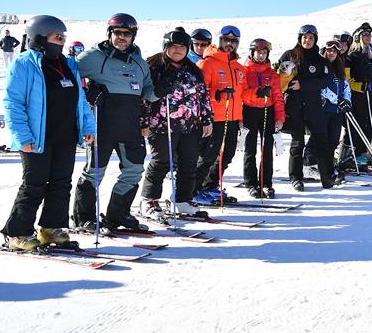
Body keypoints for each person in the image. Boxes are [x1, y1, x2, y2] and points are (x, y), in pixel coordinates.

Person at [0, 15, 96, 251]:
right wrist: (22, 136)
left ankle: (51, 228)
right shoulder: (24, 63)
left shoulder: (68, 64)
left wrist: (88, 126)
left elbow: (80, 100)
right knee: (34, 184)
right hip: (36, 139)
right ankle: (17, 233)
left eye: (63, 37)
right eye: (57, 37)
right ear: (40, 37)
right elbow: (13, 103)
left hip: (65, 136)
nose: (62, 41)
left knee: (62, 184)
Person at [72, 13, 157, 232]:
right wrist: (87, 92)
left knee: (134, 171)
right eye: (117, 33)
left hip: (130, 126)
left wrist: (159, 90)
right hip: (102, 125)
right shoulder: (93, 57)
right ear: (109, 34)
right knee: (94, 172)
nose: (121, 37)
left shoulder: (139, 62)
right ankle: (84, 218)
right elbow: (68, 75)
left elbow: (147, 90)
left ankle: (118, 215)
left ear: (133, 36)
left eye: (126, 34)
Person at [139, 28, 214, 218]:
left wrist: (206, 118)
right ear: (166, 47)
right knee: (161, 162)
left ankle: (182, 200)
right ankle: (149, 200)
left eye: (182, 47)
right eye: (173, 46)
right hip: (161, 124)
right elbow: (144, 97)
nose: (177, 50)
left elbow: (203, 95)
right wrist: (143, 121)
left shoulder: (193, 70)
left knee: (188, 163)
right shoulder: (153, 66)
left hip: (189, 125)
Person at [192, 24, 246, 203]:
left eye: (233, 41)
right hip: (212, 118)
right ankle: (193, 190)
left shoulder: (238, 67)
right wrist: (218, 95)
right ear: (219, 40)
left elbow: (242, 94)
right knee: (207, 156)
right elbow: (198, 93)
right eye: (226, 40)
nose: (229, 44)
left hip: (232, 118)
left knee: (227, 155)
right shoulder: (207, 63)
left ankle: (210, 186)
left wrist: (259, 94)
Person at [278, 24, 332, 191]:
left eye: (311, 38)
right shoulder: (289, 55)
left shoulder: (320, 59)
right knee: (297, 143)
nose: (307, 41)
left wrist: (303, 84)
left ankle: (326, 176)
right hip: (294, 106)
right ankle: (296, 178)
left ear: (315, 39)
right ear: (299, 38)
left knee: (321, 141)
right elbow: (280, 78)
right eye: (304, 37)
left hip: (313, 105)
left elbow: (324, 81)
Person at [241, 38, 285, 198]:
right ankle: (251, 183)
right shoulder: (245, 71)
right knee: (250, 149)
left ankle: (266, 183)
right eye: (258, 52)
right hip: (250, 112)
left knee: (267, 149)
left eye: (264, 52)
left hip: (268, 111)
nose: (261, 55)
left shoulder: (272, 74)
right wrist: (257, 92)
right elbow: (242, 94)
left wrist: (280, 117)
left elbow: (278, 97)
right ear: (252, 53)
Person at [345, 26, 372, 166]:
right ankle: (350, 152)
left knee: (367, 123)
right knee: (357, 123)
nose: (368, 38)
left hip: (367, 93)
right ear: (358, 37)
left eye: (369, 36)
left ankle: (363, 150)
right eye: (365, 35)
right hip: (356, 95)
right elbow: (348, 78)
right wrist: (362, 80)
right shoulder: (353, 55)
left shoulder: (368, 54)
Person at [318, 40, 352, 186]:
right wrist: (337, 100)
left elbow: (345, 85)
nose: (331, 53)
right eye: (329, 50)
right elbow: (321, 88)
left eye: (334, 51)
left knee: (333, 142)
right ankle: (324, 172)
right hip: (324, 110)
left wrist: (347, 100)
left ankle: (331, 170)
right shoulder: (320, 66)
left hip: (337, 112)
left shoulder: (339, 67)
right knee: (323, 142)